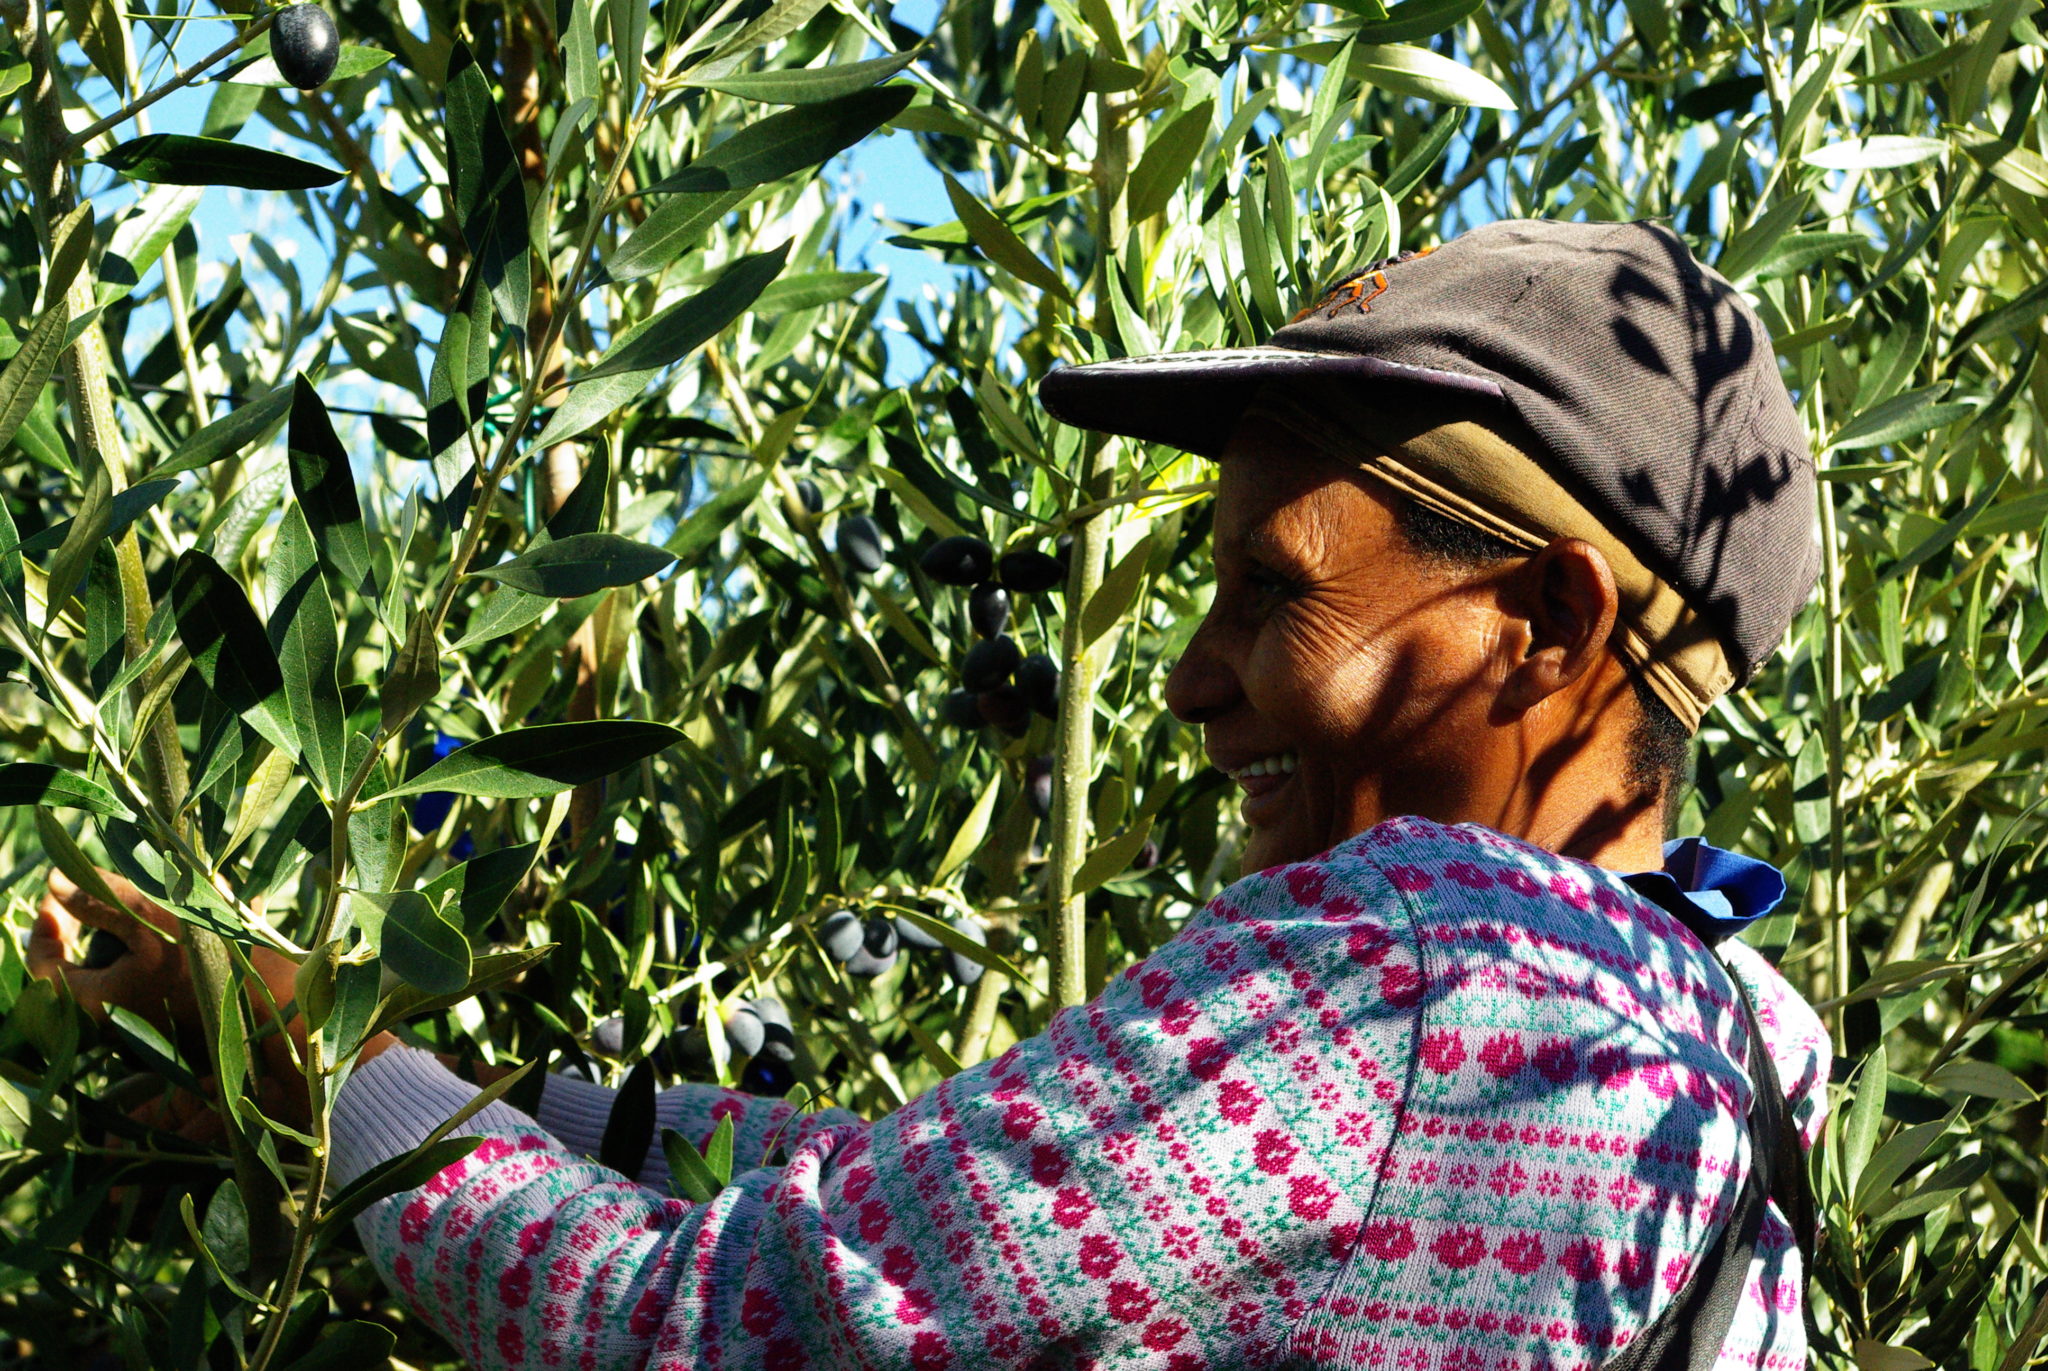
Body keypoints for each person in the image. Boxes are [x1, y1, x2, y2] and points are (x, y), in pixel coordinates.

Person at [31, 217, 1831, 1369]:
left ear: (1546, 622)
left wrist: (325, 1069)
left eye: (1276, 591)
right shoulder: (1719, 1032)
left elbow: (719, 1330)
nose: (1196, 677)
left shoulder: (1395, 965)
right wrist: (524, 1105)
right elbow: (934, 1203)